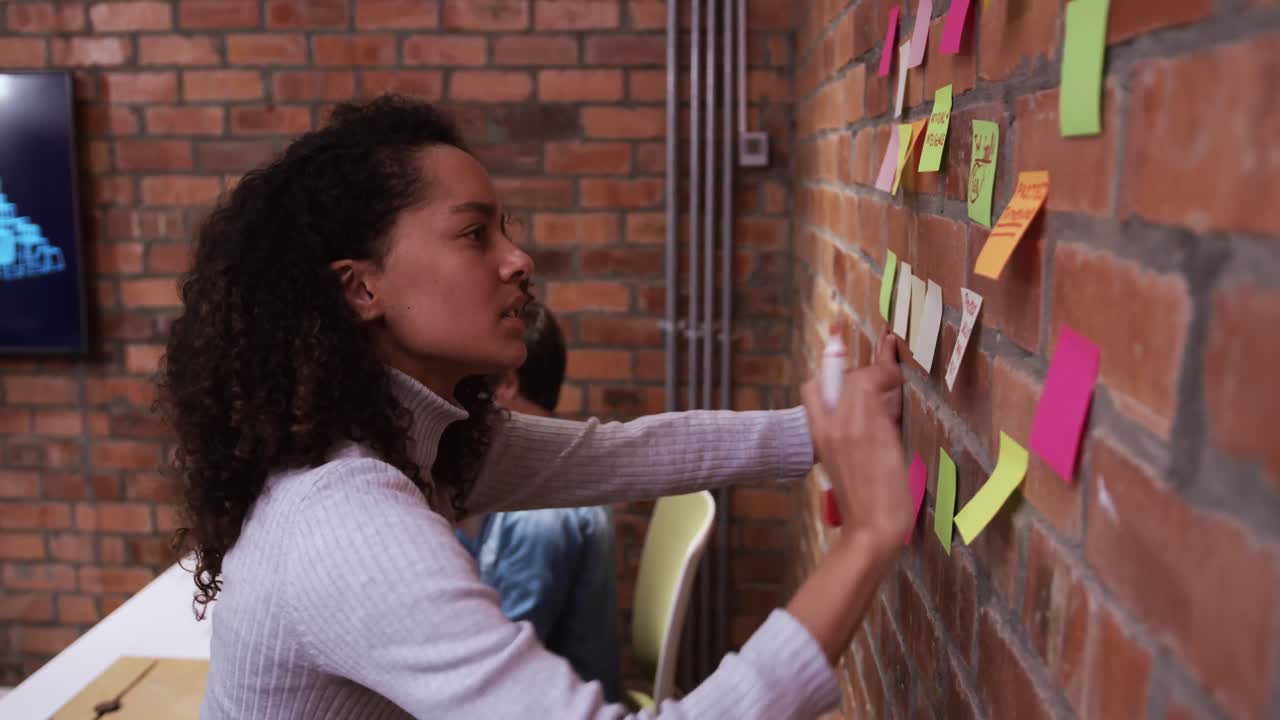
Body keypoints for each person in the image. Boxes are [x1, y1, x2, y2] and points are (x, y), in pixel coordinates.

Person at [160, 95, 912, 719]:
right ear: (361, 289)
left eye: (505, 232)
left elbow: (624, 453)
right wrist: (868, 538)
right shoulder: (347, 522)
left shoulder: (411, 440)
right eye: (473, 234)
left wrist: (820, 427)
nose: (518, 260)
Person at [455, 302, 624, 703]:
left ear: (508, 383)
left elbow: (498, 671)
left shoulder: (542, 513)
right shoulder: (534, 481)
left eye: (467, 379)